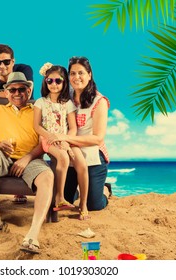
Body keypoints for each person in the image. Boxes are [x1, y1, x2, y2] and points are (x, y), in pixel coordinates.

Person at [0, 72, 54, 254]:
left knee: (47, 176)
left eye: (22, 89)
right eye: (12, 89)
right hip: (3, 157)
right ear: (6, 92)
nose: (17, 93)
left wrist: (26, 158)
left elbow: (43, 142)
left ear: (29, 91)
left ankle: (33, 234)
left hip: (31, 159)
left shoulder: (38, 110)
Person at [53, 57, 110, 211]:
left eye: (81, 73)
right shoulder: (66, 97)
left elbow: (98, 138)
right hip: (71, 152)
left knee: (94, 205)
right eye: (72, 73)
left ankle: (105, 190)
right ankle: (78, 190)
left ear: (89, 75)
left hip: (92, 154)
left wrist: (66, 138)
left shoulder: (99, 101)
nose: (76, 77)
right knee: (65, 198)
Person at [34, 63, 89, 220]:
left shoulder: (68, 103)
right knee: (64, 158)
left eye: (58, 81)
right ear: (45, 82)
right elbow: (36, 126)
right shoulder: (41, 102)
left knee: (81, 164)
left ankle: (83, 204)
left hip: (65, 140)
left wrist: (65, 140)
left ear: (64, 83)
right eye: (50, 81)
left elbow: (72, 128)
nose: (54, 84)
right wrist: (51, 137)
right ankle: (59, 196)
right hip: (47, 140)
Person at [0, 44, 33, 204]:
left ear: (13, 61)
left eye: (6, 62)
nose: (2, 66)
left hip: (26, 118)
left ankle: (19, 189)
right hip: (0, 124)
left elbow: (25, 91)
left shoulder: (24, 70)